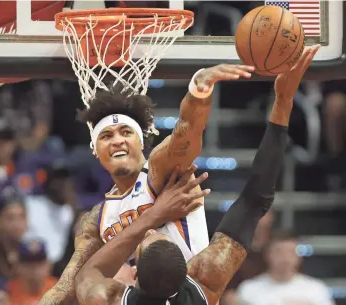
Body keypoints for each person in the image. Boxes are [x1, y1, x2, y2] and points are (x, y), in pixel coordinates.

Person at [70, 45, 321, 305]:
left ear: (133, 275)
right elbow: (253, 199)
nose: (147, 233)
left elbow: (84, 276)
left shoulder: (200, 284)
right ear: (189, 271)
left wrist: (156, 216)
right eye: (108, 135)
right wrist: (282, 102)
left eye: (125, 132)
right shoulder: (205, 279)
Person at [38, 60, 254, 304]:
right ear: (95, 150)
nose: (117, 140)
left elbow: (187, 132)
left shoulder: (160, 172)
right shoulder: (96, 219)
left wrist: (198, 91)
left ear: (141, 142)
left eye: (126, 132)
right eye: (106, 136)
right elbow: (68, 284)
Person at [236, 230, 335, 305]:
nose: (285, 258)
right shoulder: (249, 290)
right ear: (267, 255)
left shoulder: (316, 290)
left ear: (299, 257)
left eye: (290, 252)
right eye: (279, 252)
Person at [8, 240, 57, 305]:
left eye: (39, 264)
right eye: (28, 264)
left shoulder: (59, 289)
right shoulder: (8, 291)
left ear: (48, 265)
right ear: (18, 266)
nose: (34, 268)